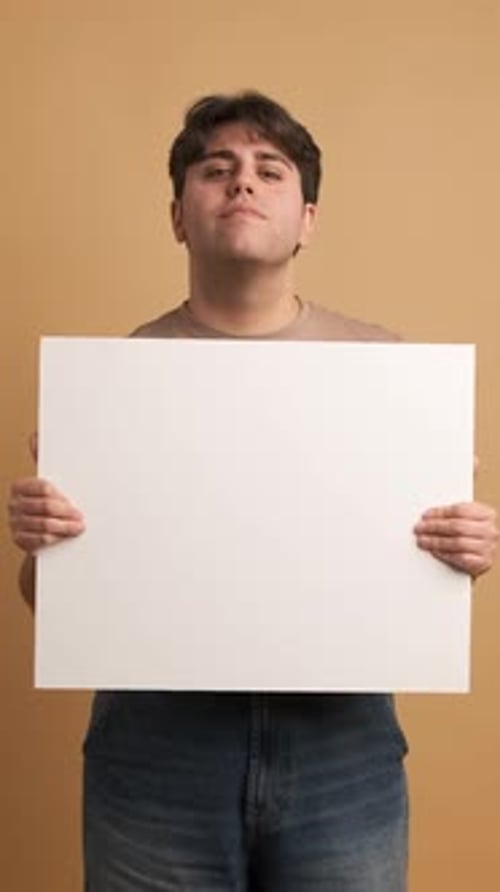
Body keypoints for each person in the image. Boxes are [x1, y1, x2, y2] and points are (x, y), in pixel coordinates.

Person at [8, 92, 498, 891]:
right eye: (216, 170)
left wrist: (467, 552)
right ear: (178, 216)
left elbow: (426, 573)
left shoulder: (387, 371)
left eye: (269, 171)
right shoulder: (116, 379)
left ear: (307, 218)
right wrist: (43, 544)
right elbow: (51, 596)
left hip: (342, 745)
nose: (242, 183)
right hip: (157, 748)